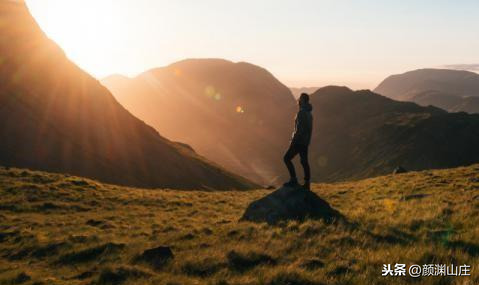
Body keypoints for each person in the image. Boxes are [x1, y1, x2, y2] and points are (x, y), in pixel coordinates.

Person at [283, 93, 313, 190]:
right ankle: (307, 183)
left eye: (300, 99)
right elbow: (308, 129)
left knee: (286, 158)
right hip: (305, 142)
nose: (298, 100)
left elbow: (299, 130)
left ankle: (293, 180)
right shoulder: (309, 113)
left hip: (298, 142)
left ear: (303, 100)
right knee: (304, 161)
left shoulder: (301, 113)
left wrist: (293, 141)